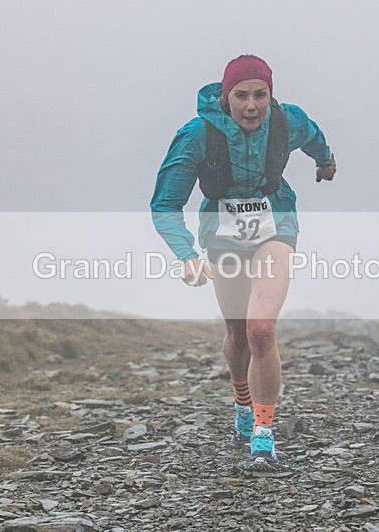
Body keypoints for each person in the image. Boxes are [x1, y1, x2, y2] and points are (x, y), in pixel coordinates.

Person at [151, 55, 336, 468]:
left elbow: (315, 138)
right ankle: (241, 401)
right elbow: (165, 203)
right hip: (222, 235)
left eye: (260, 95)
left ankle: (263, 431)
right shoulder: (197, 134)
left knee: (260, 330)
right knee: (236, 332)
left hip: (276, 225)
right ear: (225, 96)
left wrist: (326, 161)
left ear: (271, 95)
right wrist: (185, 255)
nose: (251, 106)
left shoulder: (287, 120)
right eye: (241, 96)